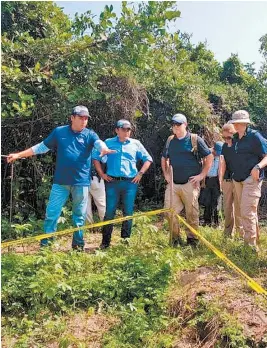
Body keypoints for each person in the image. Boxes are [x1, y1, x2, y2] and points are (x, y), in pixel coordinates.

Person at [7, 106, 114, 251]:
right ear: (72, 117)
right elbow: (41, 147)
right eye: (81, 117)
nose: (84, 121)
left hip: (81, 182)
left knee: (79, 217)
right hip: (60, 183)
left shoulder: (90, 134)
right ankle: (46, 246)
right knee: (52, 214)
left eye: (86, 118)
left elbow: (98, 143)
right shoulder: (59, 132)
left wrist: (104, 148)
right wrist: (18, 155)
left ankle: (78, 246)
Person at [93, 119, 153, 249]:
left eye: (129, 129)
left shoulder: (135, 144)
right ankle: (105, 243)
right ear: (117, 130)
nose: (126, 132)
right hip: (112, 182)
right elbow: (96, 157)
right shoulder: (108, 143)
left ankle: (125, 242)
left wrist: (140, 173)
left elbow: (148, 159)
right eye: (124, 129)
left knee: (128, 212)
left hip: (130, 183)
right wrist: (102, 174)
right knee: (109, 212)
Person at [161, 113, 213, 246]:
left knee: (192, 213)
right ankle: (175, 239)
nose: (176, 127)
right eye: (174, 125)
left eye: (179, 124)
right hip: (173, 183)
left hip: (190, 183)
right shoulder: (170, 140)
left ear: (185, 125)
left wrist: (201, 175)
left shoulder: (195, 139)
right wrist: (166, 174)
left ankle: (192, 239)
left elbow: (209, 157)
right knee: (169, 211)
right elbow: (164, 158)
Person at [229, 110, 267, 250]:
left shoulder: (254, 136)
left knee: (247, 212)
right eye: (235, 122)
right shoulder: (234, 138)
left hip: (251, 179)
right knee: (245, 211)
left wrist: (258, 166)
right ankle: (254, 240)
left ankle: (250, 248)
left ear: (245, 123)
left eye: (238, 123)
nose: (236, 125)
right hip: (238, 179)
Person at [219, 123, 243, 237]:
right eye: (224, 138)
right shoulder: (224, 146)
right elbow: (223, 163)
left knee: (239, 208)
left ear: (234, 134)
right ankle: (227, 233)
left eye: (228, 137)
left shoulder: (239, 145)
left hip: (238, 179)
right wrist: (221, 179)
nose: (226, 140)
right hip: (227, 179)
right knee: (227, 208)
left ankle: (240, 234)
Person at [202, 141, 223, 227]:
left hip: (216, 180)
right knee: (207, 202)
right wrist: (203, 182)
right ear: (213, 149)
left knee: (216, 202)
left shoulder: (221, 156)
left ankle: (217, 222)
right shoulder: (207, 153)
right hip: (207, 179)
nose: (217, 154)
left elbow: (220, 170)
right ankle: (207, 222)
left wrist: (221, 185)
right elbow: (203, 167)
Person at [86, 161, 106, 225]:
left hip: (82, 178)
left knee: (85, 204)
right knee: (101, 204)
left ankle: (88, 225)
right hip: (95, 177)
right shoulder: (98, 151)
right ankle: (105, 225)